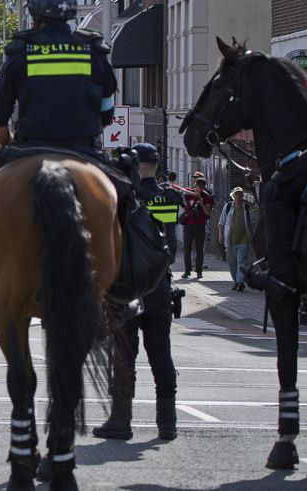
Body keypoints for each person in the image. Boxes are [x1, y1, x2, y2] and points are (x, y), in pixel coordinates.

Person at [0, 0, 117, 314]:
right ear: (71, 13)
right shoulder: (95, 50)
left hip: (28, 147)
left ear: (33, 16)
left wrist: (9, 146)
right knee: (127, 205)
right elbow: (108, 114)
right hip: (84, 149)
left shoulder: (20, 51)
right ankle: (123, 291)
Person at [93, 143, 177, 441]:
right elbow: (172, 247)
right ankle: (167, 423)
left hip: (128, 287)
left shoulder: (126, 198)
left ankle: (121, 420)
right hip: (159, 285)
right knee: (161, 355)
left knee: (124, 357)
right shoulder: (167, 196)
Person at [218, 187, 254, 291]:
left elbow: (252, 223)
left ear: (242, 196)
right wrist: (221, 235)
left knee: (241, 261)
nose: (238, 197)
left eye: (240, 195)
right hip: (230, 240)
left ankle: (239, 282)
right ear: (233, 196)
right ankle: (236, 281)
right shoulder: (228, 207)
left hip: (244, 239)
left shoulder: (246, 207)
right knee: (232, 262)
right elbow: (221, 223)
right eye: (236, 195)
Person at [181, 178, 213, 279]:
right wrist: (192, 193)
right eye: (199, 187)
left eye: (203, 187)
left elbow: (208, 213)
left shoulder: (206, 196)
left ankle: (199, 271)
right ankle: (187, 271)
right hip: (188, 225)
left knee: (199, 250)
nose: (201, 189)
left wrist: (201, 203)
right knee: (187, 249)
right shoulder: (189, 193)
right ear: (196, 185)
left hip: (200, 225)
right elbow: (181, 192)